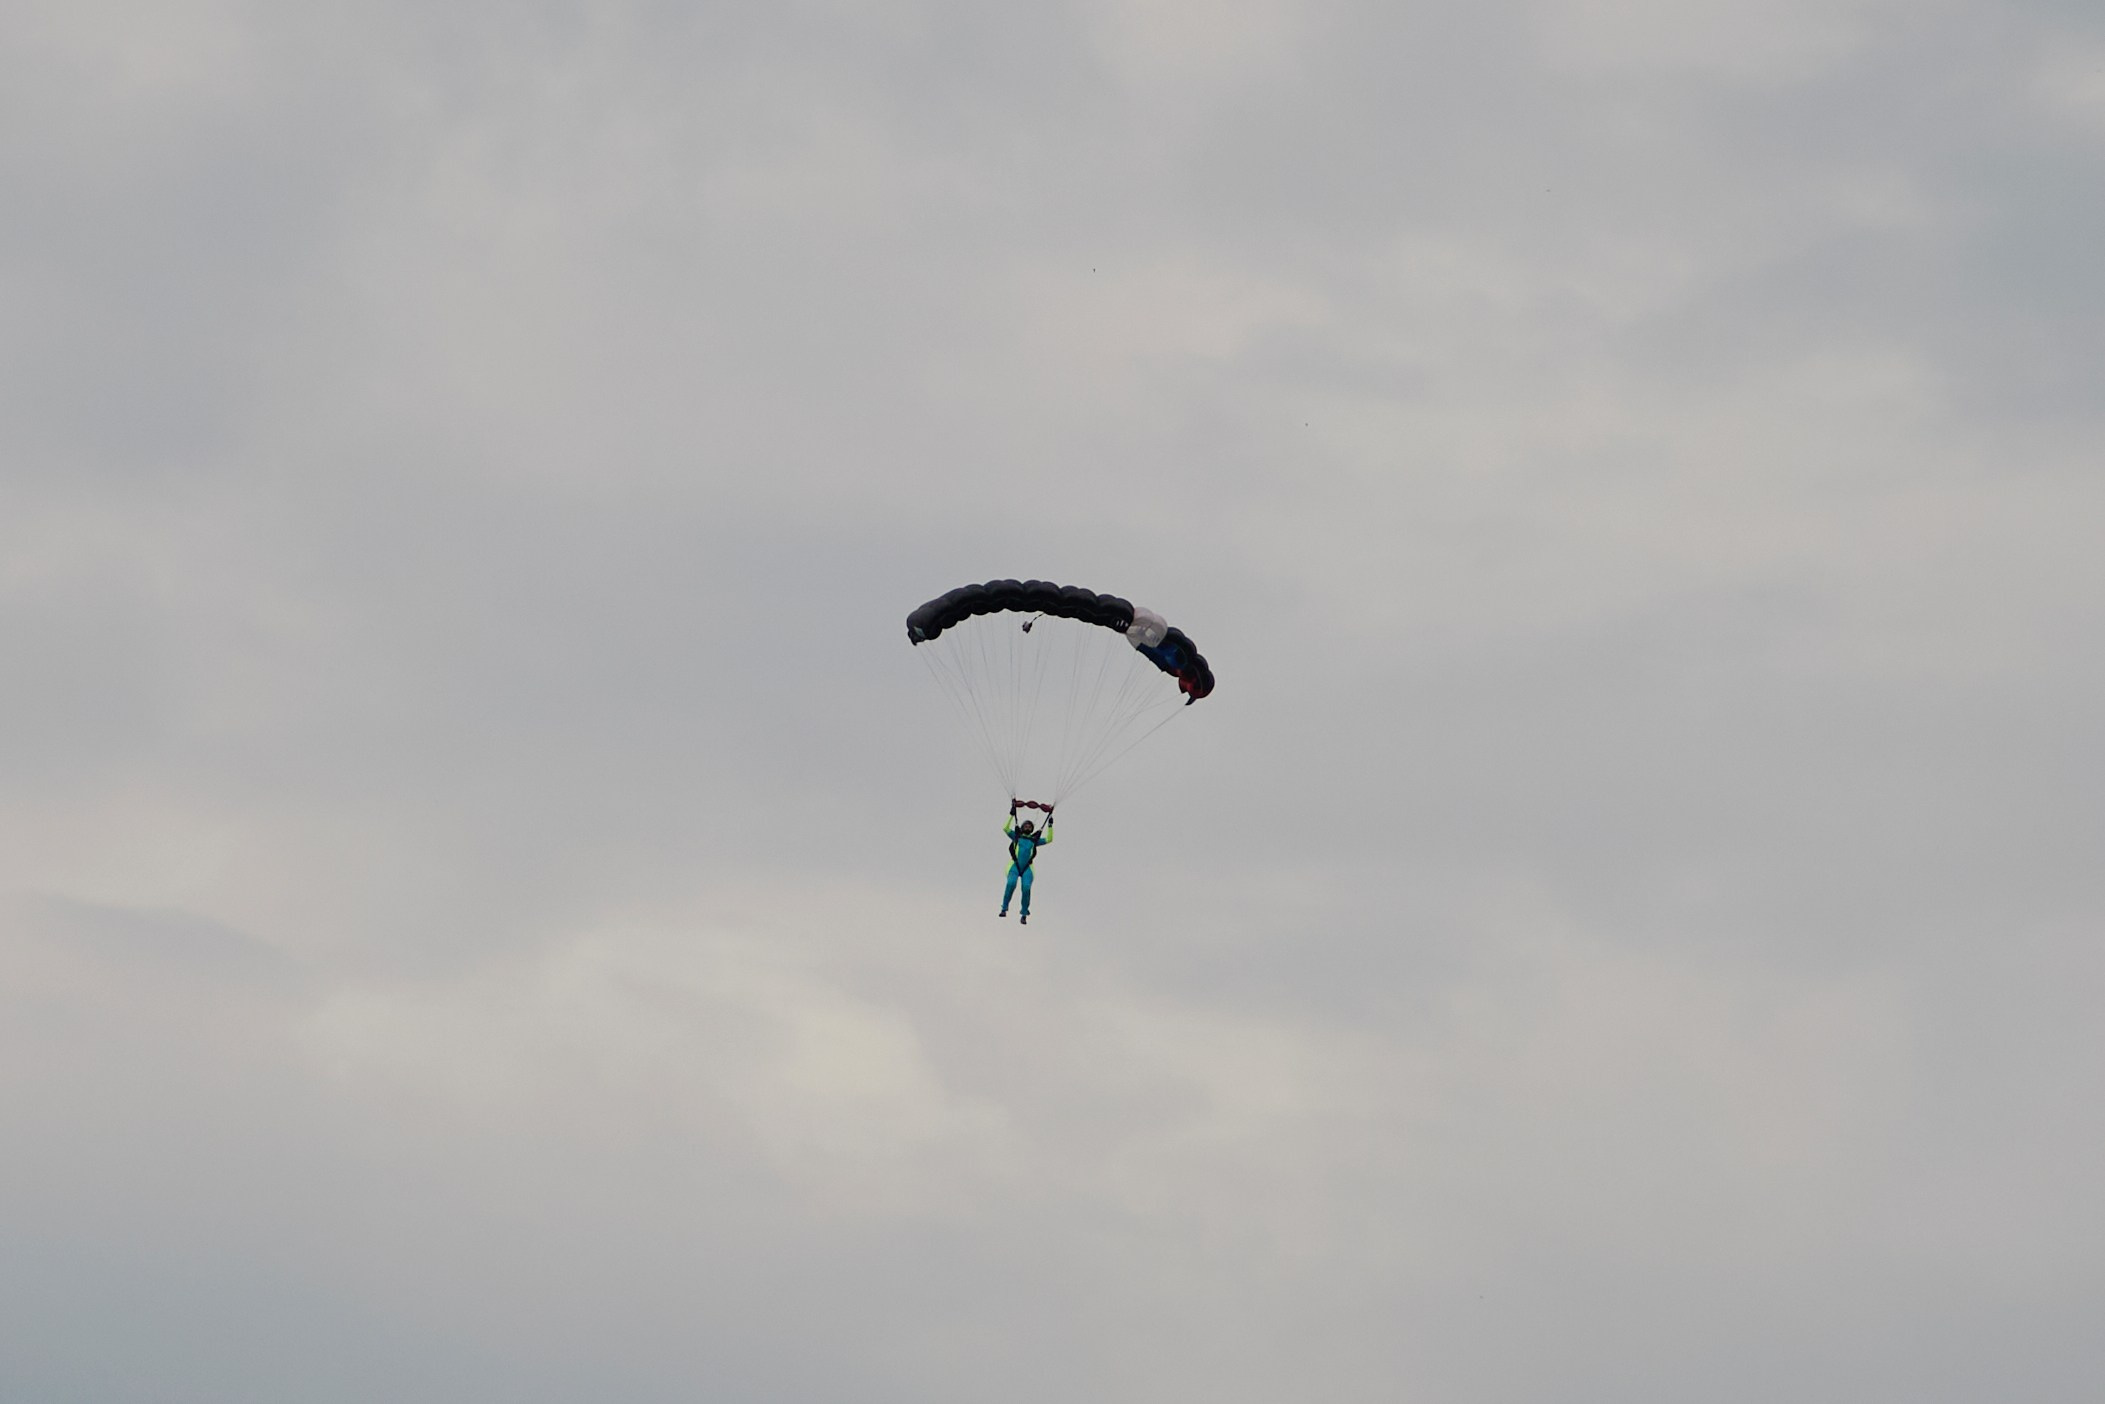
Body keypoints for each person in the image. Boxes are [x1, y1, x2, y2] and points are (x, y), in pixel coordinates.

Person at [999, 800, 1054, 924]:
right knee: (1011, 883)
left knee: (1026, 887)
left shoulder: (1034, 840)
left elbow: (1049, 839)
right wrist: (1011, 815)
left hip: (1027, 868)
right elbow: (1005, 828)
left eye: (1030, 826)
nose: (1028, 827)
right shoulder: (1016, 836)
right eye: (1026, 825)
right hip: (1014, 866)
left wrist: (1050, 825)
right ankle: (1004, 908)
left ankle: (1024, 913)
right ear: (1022, 827)